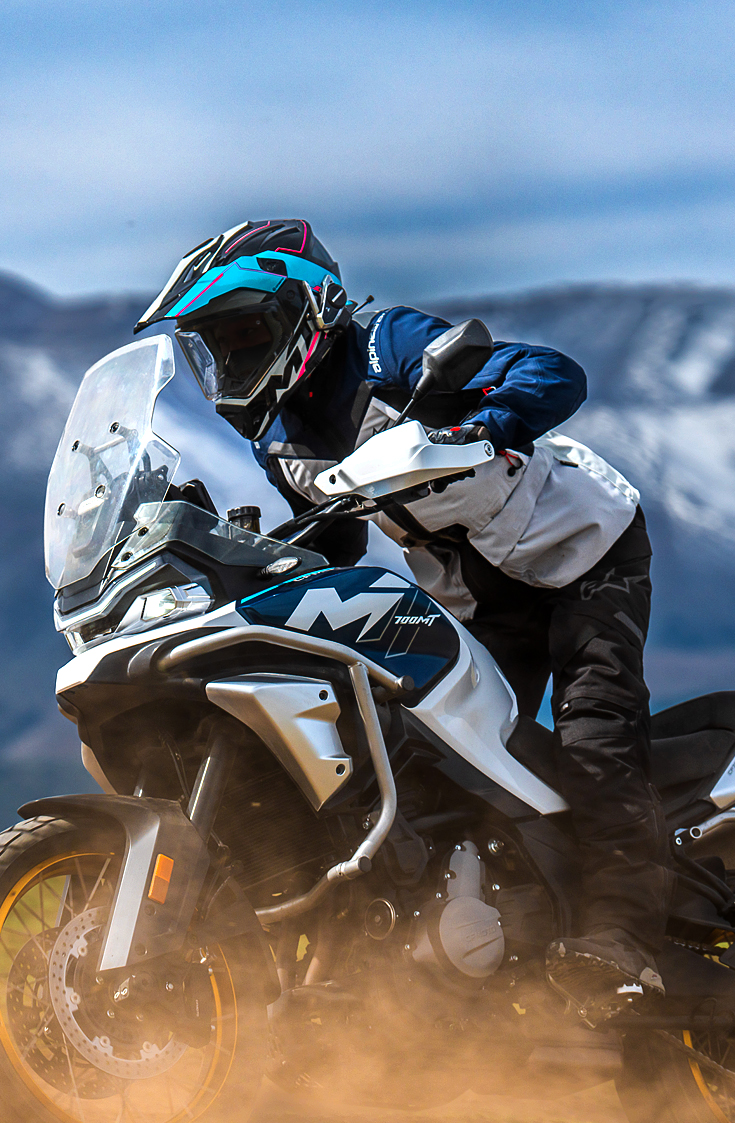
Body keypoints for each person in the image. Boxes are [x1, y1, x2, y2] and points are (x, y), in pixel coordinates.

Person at [135, 219, 665, 1021]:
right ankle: (486, 955)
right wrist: (241, 565)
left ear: (304, 310)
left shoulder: (387, 347)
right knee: (449, 760)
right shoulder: (281, 441)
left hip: (584, 557)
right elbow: (333, 539)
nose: (233, 357)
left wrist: (487, 421)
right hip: (481, 598)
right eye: (216, 344)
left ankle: (624, 941)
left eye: (245, 332)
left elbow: (555, 372)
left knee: (595, 735)